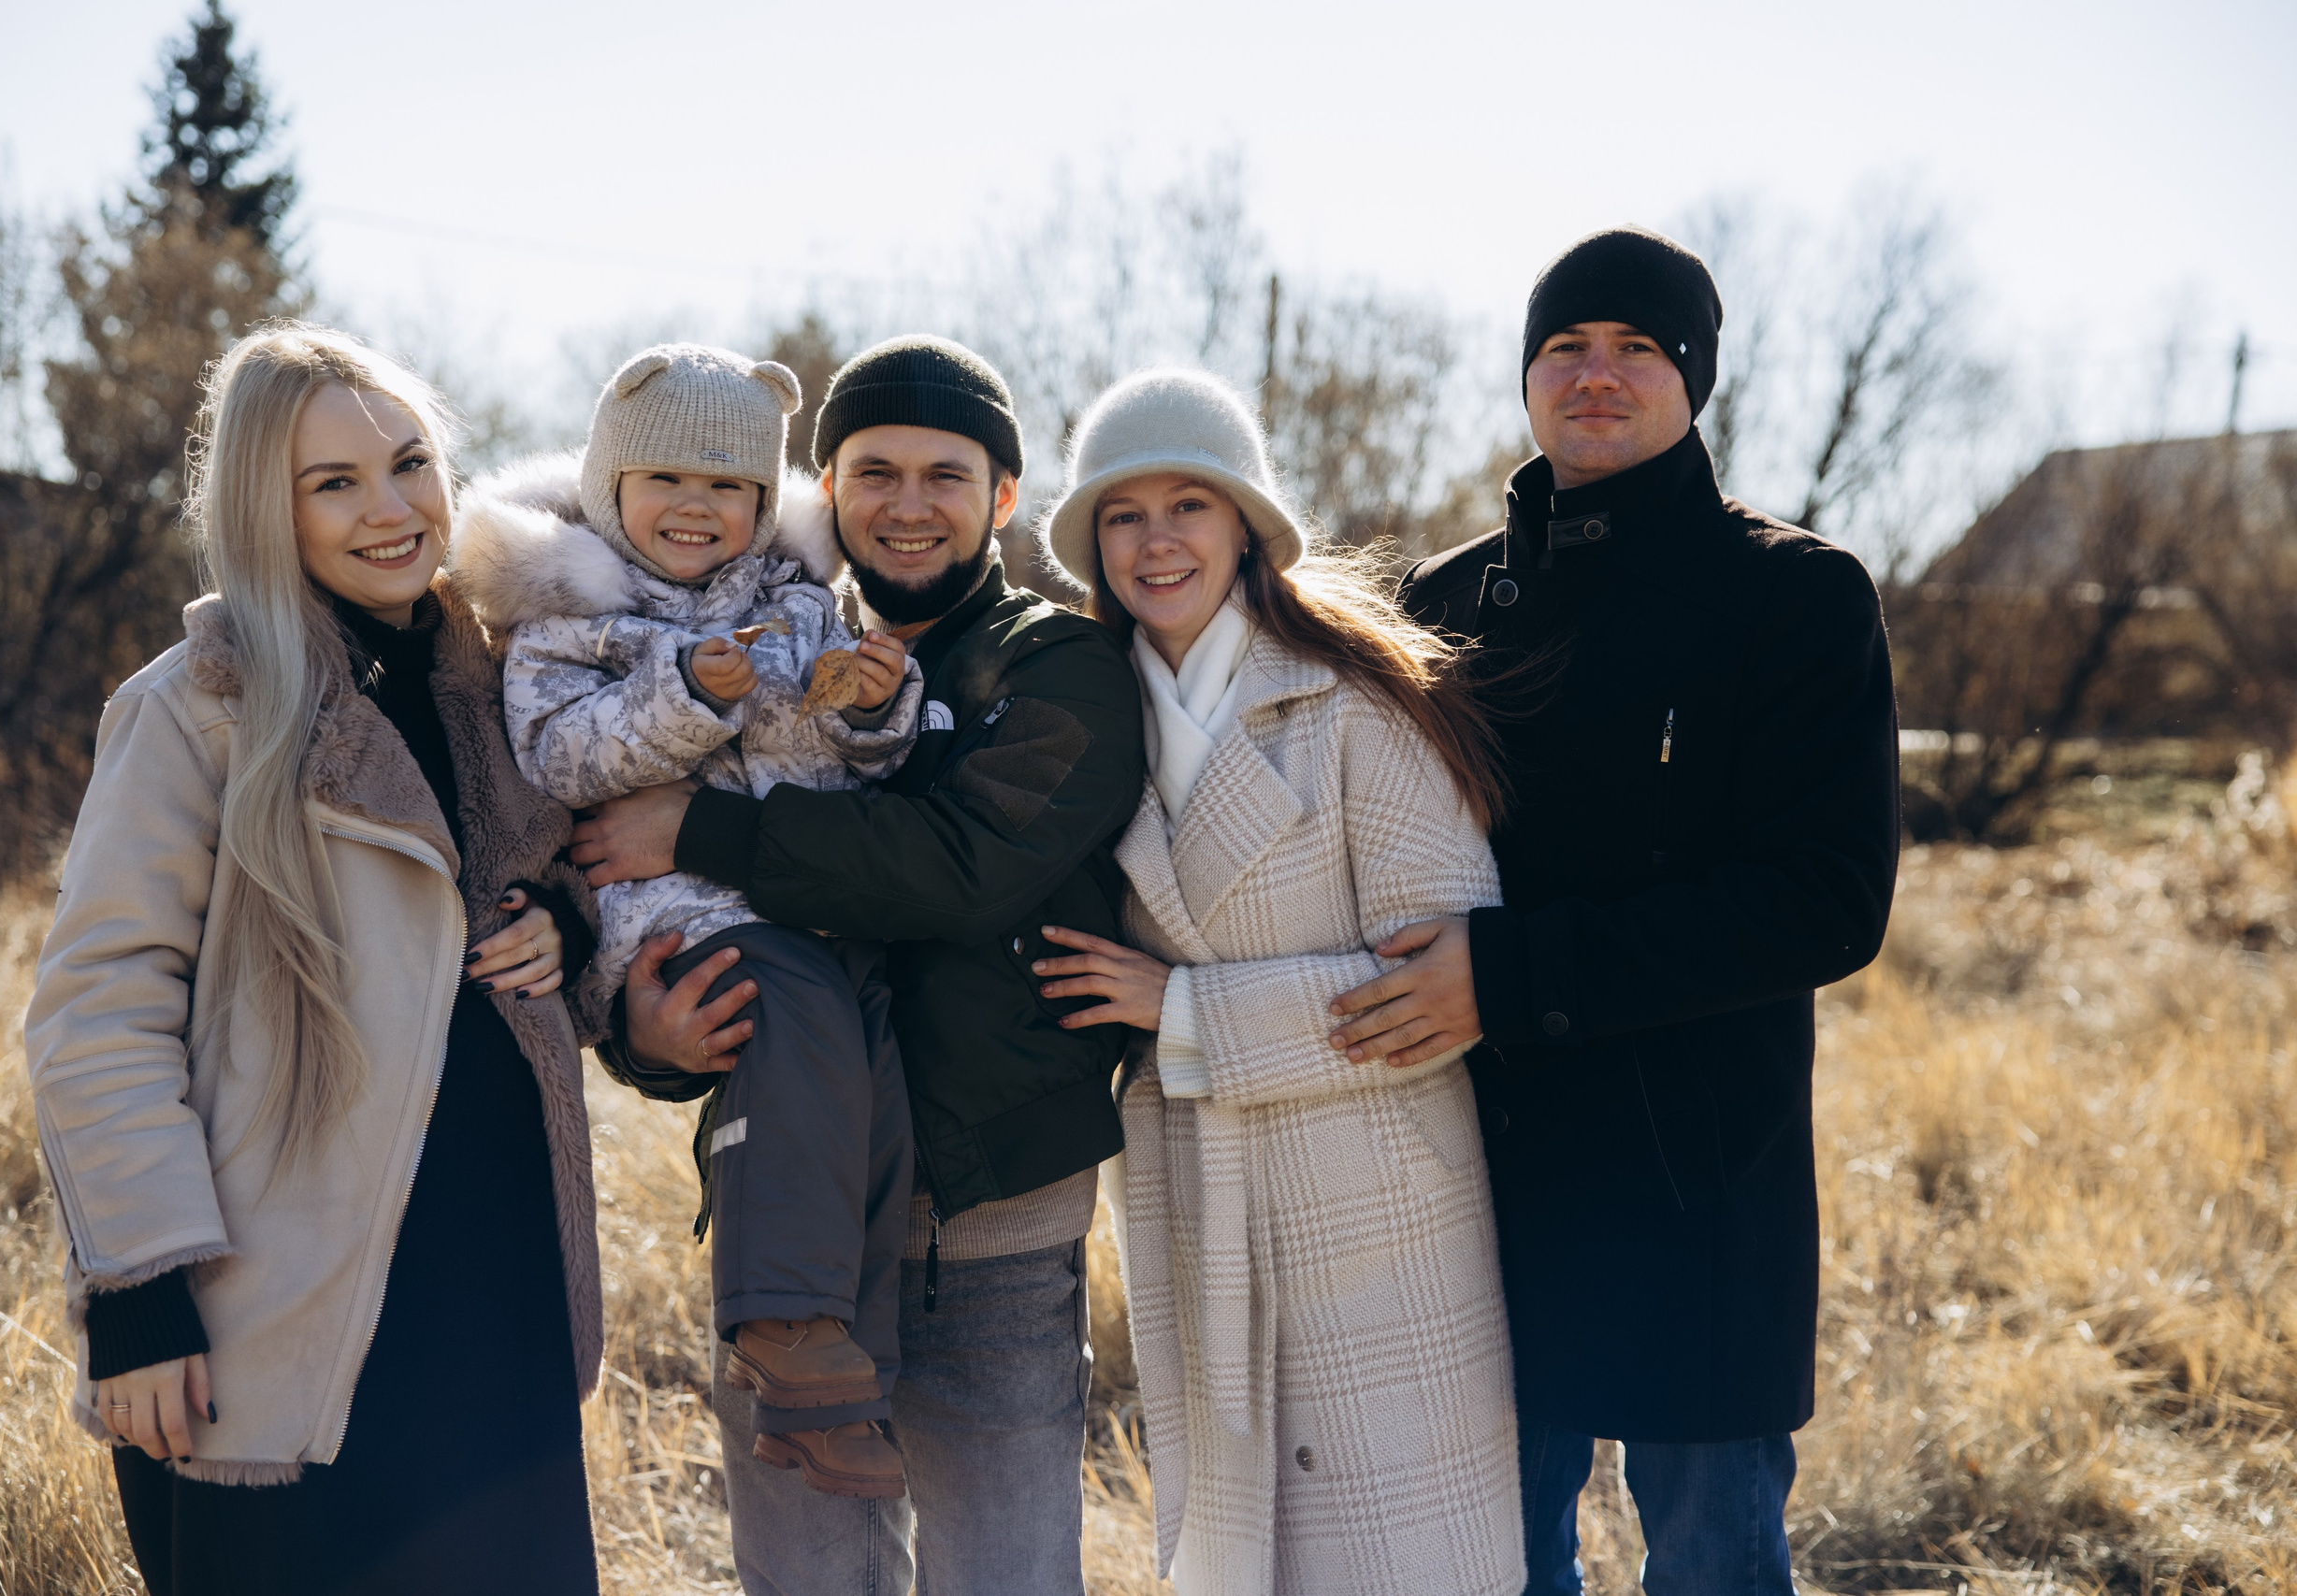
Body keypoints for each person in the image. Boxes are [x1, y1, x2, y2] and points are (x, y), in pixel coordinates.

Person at [1329, 226, 1902, 1592]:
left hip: (1693, 1177)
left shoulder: (1792, 595)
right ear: (1526, 376)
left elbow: (1822, 903)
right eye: (1567, 347)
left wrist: (1511, 977)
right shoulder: (1442, 604)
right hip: (1477, 1174)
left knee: (1712, 1560)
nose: (1599, 374)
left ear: (1694, 377)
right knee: (1488, 1565)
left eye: (1638, 348)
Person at [22, 324, 610, 1595]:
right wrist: (139, 1297)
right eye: (333, 482)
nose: (392, 508)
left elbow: (565, 876)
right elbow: (96, 1013)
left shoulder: (504, 693)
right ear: (260, 506)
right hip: (275, 1323)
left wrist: (570, 921)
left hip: (494, 1294)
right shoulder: (194, 707)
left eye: (408, 462)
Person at [572, 335, 1148, 1593]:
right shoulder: (745, 657)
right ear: (823, 490)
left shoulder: (1060, 667)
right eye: (872, 469)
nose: (906, 502)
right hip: (791, 1223)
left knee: (1005, 1570)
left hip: (990, 1213)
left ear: (1003, 497)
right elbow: (657, 902)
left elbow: (958, 863)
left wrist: (699, 822)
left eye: (945, 473)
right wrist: (640, 1031)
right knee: (807, 1576)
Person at [1024, 368, 1526, 1595]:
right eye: (1124, 514)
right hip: (1202, 1188)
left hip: (1375, 1201)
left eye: (1189, 503)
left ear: (1247, 521)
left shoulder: (1361, 701)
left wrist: (1180, 1008)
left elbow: (1435, 1002)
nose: (1156, 540)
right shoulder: (1086, 720)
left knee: (1394, 1558)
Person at [450, 343, 924, 1499]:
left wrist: (866, 710)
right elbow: (558, 755)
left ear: (765, 504)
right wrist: (690, 695)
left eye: (728, 487)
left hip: (797, 905)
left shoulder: (801, 602)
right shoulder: (567, 617)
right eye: (666, 481)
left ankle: (840, 1378)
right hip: (669, 914)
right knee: (798, 1011)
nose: (695, 508)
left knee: (877, 1091)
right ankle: (781, 1326)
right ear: (612, 487)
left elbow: (842, 759)